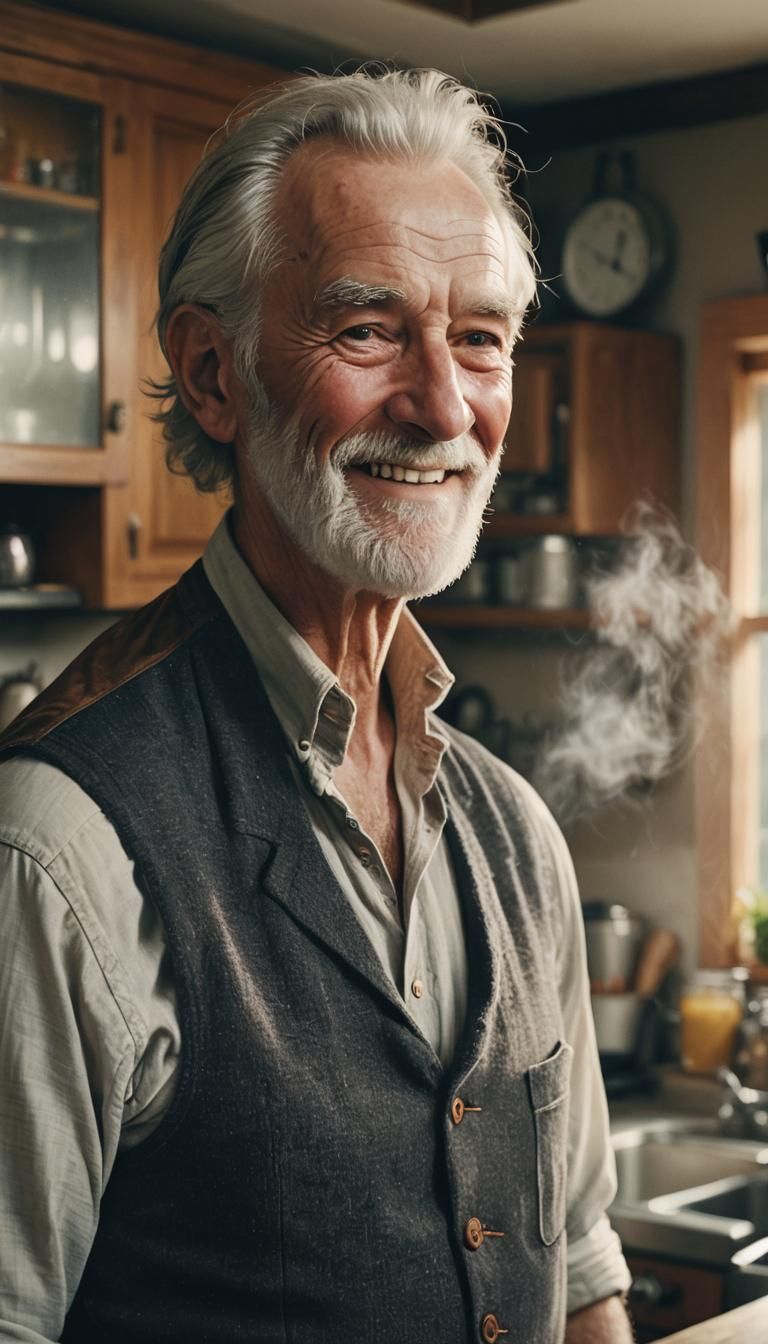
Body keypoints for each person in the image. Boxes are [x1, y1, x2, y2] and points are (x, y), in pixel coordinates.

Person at [0, 69, 632, 1343]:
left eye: (480, 338)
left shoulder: (516, 837)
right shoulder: (59, 845)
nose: (446, 408)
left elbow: (583, 1282)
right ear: (213, 374)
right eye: (368, 330)